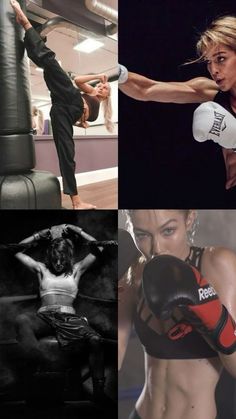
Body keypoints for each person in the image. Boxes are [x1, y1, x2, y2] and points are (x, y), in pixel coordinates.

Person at [119, 210, 236, 419]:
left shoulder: (217, 264)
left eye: (168, 231)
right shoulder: (133, 271)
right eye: (142, 235)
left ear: (189, 218)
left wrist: (212, 313)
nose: (156, 248)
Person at [10, 0, 114, 210]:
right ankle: (27, 26)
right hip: (69, 98)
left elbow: (80, 119)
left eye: (105, 90)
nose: (102, 89)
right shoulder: (89, 92)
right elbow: (77, 81)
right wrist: (99, 76)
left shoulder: (95, 112)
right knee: (52, 64)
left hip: (62, 112)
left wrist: (81, 120)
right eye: (102, 87)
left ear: (106, 98)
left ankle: (76, 201)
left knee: (67, 154)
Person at [119, 16, 236, 194]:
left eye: (220, 59)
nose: (213, 70)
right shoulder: (210, 92)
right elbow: (147, 89)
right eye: (209, 62)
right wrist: (118, 73)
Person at [14, 223, 106, 401]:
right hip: (44, 317)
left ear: (68, 257)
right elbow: (16, 250)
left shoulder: (77, 269)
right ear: (50, 255)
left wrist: (76, 230)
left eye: (62, 259)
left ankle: (99, 393)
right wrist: (40, 234)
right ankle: (41, 368)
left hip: (68, 318)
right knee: (21, 319)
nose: (58, 263)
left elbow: (99, 245)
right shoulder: (41, 268)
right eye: (55, 258)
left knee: (96, 340)